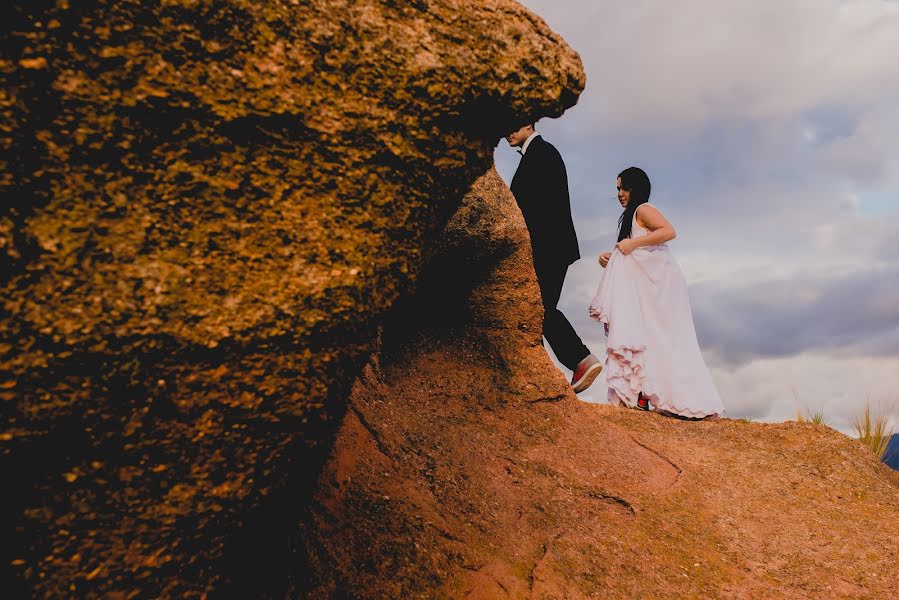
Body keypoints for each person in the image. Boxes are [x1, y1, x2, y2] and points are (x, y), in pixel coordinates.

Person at [589, 167, 725, 419]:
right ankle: (643, 394)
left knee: (661, 337)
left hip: (660, 288)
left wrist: (631, 244)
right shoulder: (630, 217)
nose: (619, 194)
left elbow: (668, 231)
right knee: (648, 339)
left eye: (624, 188)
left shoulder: (643, 209)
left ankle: (667, 397)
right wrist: (613, 257)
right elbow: (639, 253)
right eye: (618, 189)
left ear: (635, 188)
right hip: (648, 288)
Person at [506, 123, 602, 393]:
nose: (506, 132)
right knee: (538, 309)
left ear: (527, 123)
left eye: (511, 126)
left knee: (541, 308)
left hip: (547, 247)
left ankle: (580, 359)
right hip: (551, 246)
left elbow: (537, 206)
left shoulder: (542, 153)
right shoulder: (539, 153)